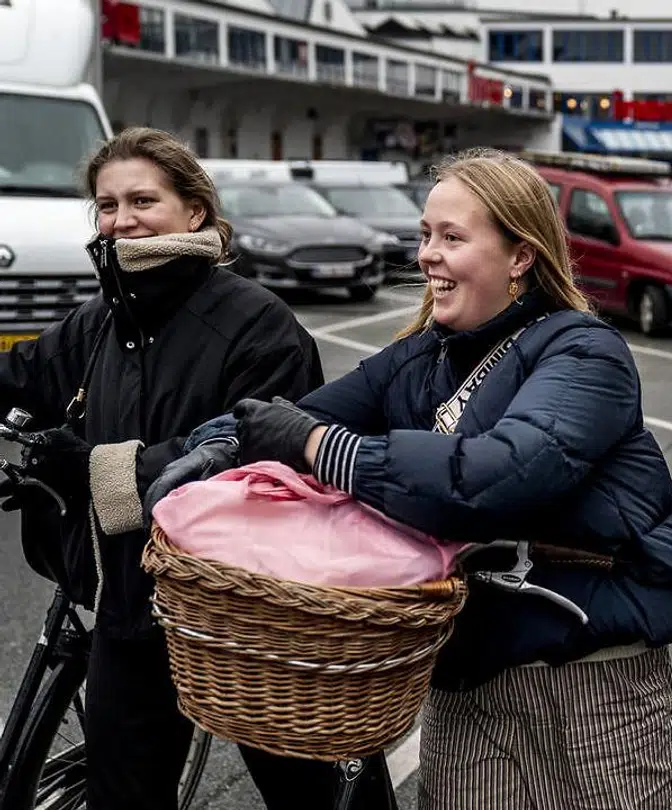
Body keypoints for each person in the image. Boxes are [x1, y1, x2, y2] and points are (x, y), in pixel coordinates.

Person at [151, 147, 672, 809]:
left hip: (587, 685)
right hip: (463, 679)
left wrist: (322, 448)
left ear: (520, 256)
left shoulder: (583, 350)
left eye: (452, 237)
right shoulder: (419, 358)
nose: (426, 256)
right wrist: (211, 450)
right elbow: (287, 420)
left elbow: (503, 475)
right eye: (424, 235)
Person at [0, 127, 396, 810]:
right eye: (106, 204)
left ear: (196, 213)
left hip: (246, 623)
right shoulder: (102, 315)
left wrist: (96, 467)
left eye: (143, 200)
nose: (122, 219)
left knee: (310, 797)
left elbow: (262, 462)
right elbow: (21, 376)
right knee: (122, 796)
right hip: (133, 607)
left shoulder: (257, 323)